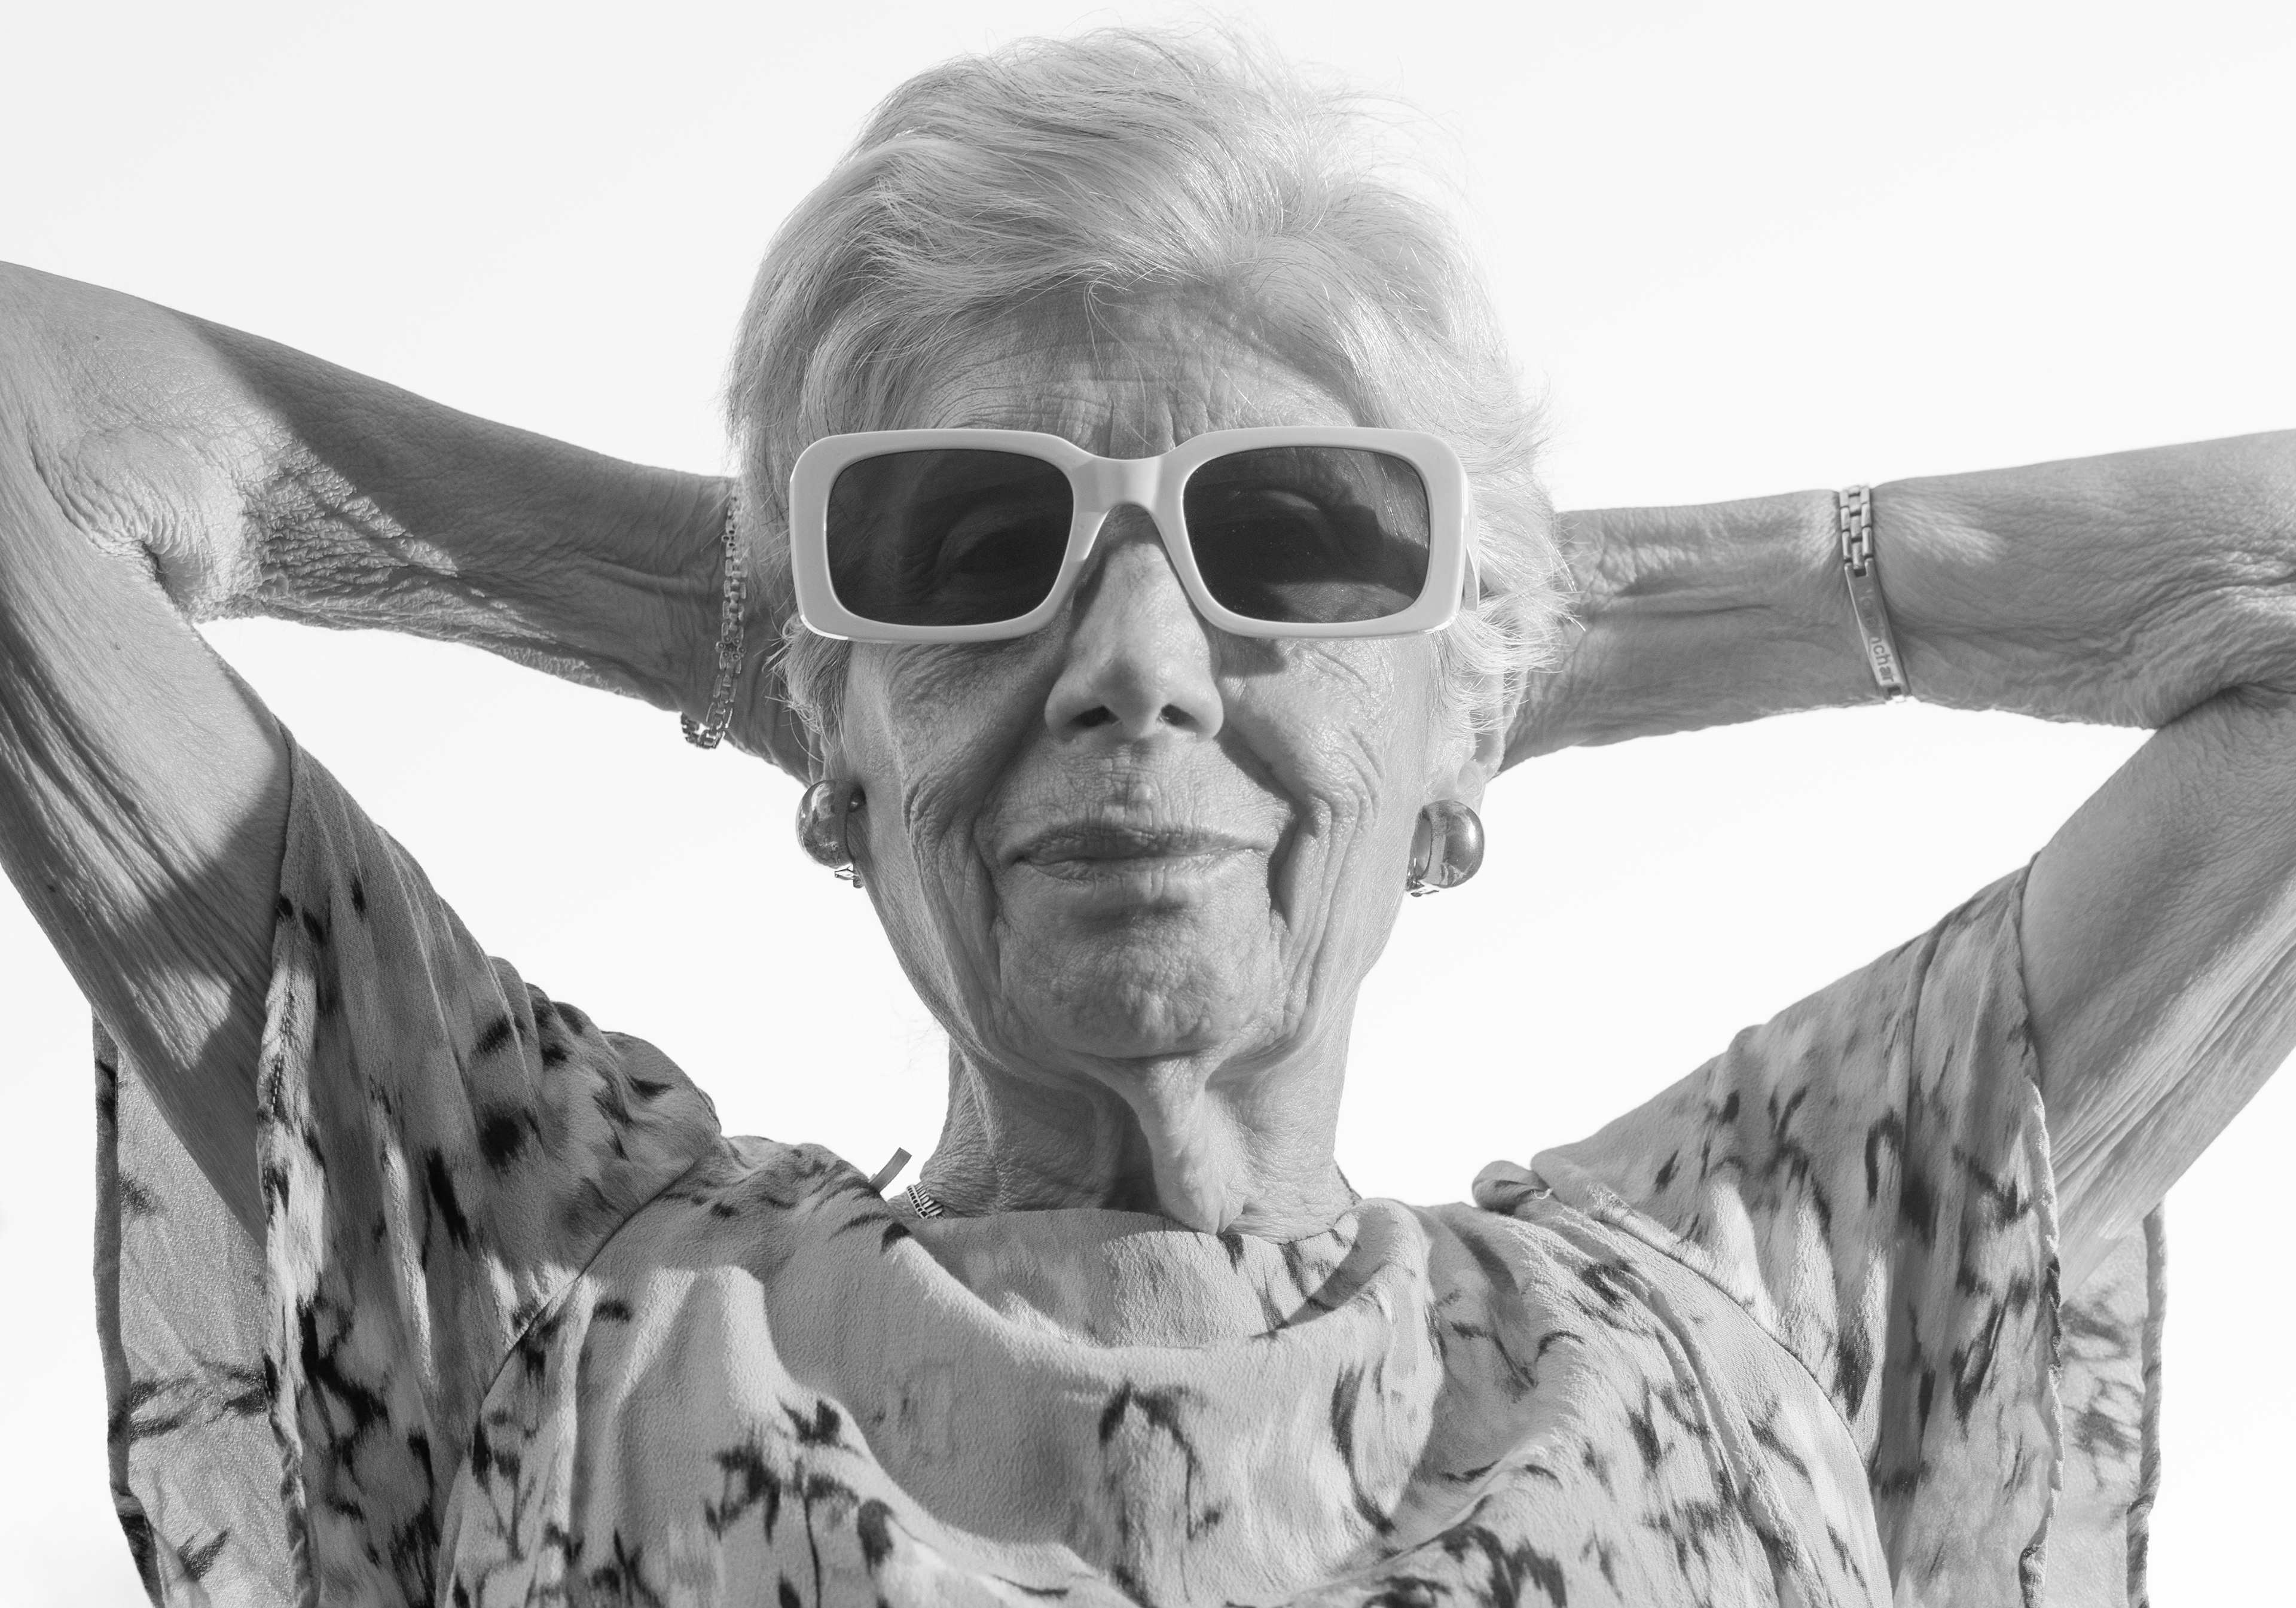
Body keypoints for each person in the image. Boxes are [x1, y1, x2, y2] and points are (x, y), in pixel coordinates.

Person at [1, 26, 2289, 1608]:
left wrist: (1547, 623)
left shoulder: (1738, 1316)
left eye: (1295, 536)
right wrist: (770, 606)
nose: (1134, 661)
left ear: (1479, 707)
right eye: (966, 541)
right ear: (826, 735)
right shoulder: (551, 1285)